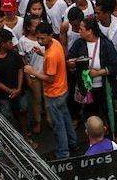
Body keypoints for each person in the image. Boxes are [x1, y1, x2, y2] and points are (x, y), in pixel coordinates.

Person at [25, 21, 77, 158]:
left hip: (54, 93)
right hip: (62, 89)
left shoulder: (51, 55)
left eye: (42, 38)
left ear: (49, 35)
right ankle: (73, 142)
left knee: (58, 125)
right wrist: (42, 54)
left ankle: (63, 153)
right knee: (66, 118)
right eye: (38, 38)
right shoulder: (55, 43)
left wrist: (33, 72)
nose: (40, 41)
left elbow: (50, 79)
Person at [0, 28, 28, 137]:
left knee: (22, 111)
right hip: (4, 95)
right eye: (9, 42)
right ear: (2, 44)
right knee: (7, 116)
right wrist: (10, 91)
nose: (12, 44)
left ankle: (26, 135)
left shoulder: (14, 54)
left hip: (19, 91)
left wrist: (18, 88)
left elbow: (20, 69)